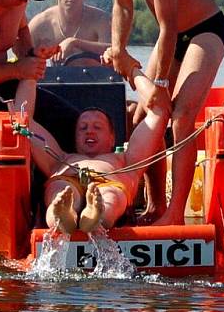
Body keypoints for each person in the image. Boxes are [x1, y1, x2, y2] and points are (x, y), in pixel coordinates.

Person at [94, 0, 224, 226]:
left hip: (203, 31)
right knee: (142, 116)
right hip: (171, 36)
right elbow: (123, 7)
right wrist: (117, 50)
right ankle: (154, 205)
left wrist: (163, 85)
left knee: (180, 117)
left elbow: (168, 26)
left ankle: (176, 214)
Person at [26, 56, 167, 234]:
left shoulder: (126, 160)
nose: (89, 131)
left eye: (97, 127)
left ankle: (97, 217)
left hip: (110, 183)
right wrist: (30, 71)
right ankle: (62, 216)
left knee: (110, 197)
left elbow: (158, 110)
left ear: (112, 138)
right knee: (60, 193)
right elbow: (25, 119)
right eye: (83, 128)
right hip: (67, 180)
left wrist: (129, 68)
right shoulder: (60, 158)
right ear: (74, 138)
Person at [28, 0, 111, 66]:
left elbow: (115, 51)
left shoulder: (101, 20)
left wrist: (74, 43)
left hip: (96, 80)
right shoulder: (41, 23)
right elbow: (21, 54)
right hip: (53, 81)